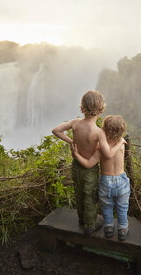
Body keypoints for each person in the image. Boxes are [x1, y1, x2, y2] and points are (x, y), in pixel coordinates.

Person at [51, 91, 123, 235]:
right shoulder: (98, 132)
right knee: (89, 196)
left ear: (82, 108)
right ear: (101, 111)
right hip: (89, 170)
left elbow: (56, 130)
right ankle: (90, 225)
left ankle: (81, 219)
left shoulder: (75, 123)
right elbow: (108, 154)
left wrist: (72, 141)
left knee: (79, 193)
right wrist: (120, 142)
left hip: (76, 165)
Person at [72, 115, 130, 241]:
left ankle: (108, 228)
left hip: (106, 181)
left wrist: (76, 154)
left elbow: (88, 164)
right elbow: (115, 145)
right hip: (121, 181)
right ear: (122, 131)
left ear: (103, 130)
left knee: (107, 206)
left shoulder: (99, 148)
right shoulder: (122, 144)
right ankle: (122, 229)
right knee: (122, 206)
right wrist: (120, 140)